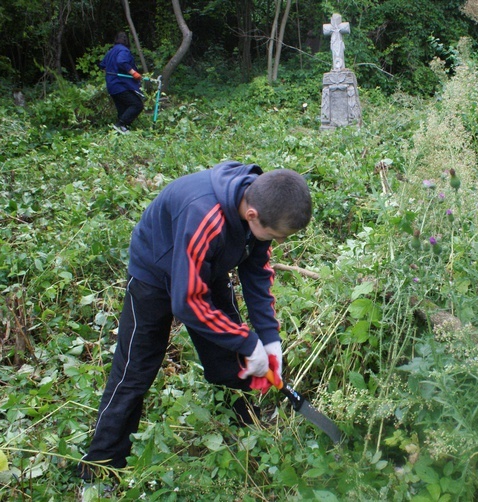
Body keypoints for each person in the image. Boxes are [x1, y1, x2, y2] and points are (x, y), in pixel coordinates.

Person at [78, 162, 313, 484]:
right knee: (135, 372)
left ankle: (247, 435)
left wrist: (268, 339)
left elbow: (256, 272)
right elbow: (187, 301)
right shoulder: (205, 216)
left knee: (230, 361)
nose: (276, 242)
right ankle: (101, 466)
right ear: (253, 215)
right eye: (275, 236)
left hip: (207, 266)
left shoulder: (263, 200)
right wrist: (248, 341)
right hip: (154, 275)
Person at [99, 32, 144, 134]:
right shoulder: (123, 50)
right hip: (120, 85)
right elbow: (121, 62)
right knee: (137, 105)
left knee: (122, 108)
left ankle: (121, 131)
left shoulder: (111, 51)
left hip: (111, 85)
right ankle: (120, 125)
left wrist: (110, 73)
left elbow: (102, 65)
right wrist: (134, 73)